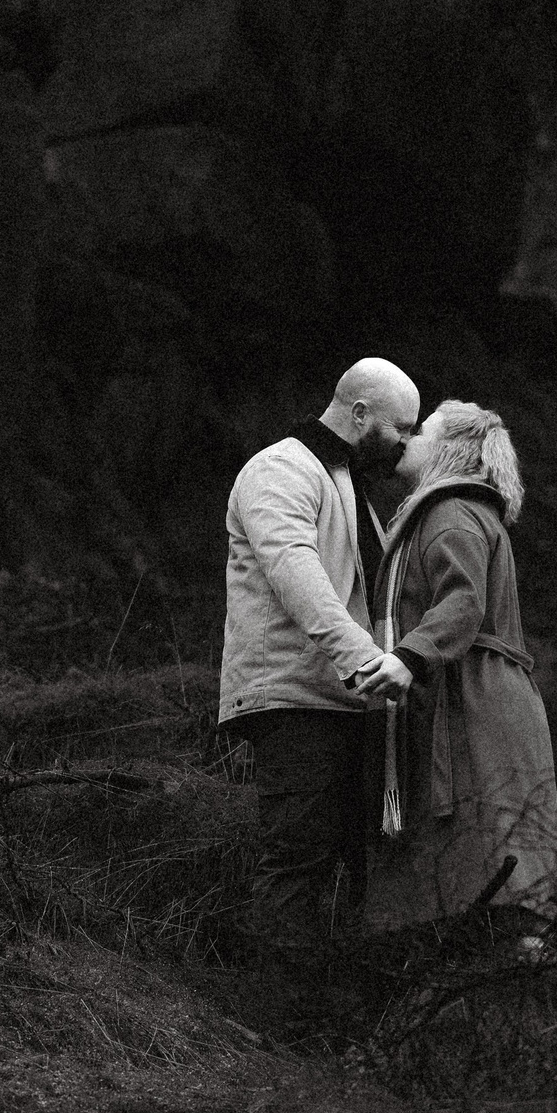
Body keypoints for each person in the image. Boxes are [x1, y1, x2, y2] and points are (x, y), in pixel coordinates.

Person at [219, 358, 423, 946]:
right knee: (298, 862)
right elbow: (296, 574)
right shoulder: (281, 468)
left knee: (352, 864)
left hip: (344, 699)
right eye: (401, 429)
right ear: (359, 414)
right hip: (292, 699)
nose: (406, 444)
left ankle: (331, 1008)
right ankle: (279, 1018)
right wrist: (368, 662)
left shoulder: (347, 483)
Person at [362, 400, 557, 938]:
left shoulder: (451, 513)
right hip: (478, 699)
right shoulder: (460, 511)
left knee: (491, 859)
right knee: (500, 858)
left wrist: (409, 656)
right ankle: (508, 992)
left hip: (474, 706)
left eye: (421, 430)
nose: (406, 438)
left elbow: (462, 602)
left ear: (450, 447)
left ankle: (500, 993)